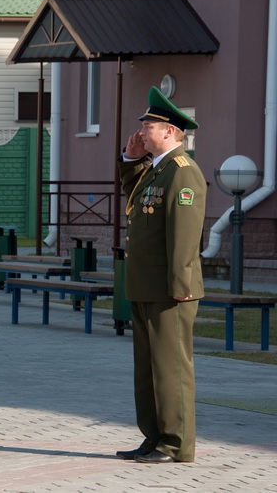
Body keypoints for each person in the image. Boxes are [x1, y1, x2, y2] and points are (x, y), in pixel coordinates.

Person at [115, 86, 206, 464]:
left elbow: (184, 239)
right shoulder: (156, 169)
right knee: (147, 369)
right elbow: (132, 195)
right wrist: (130, 158)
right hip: (144, 285)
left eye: (148, 126)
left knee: (171, 369)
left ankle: (175, 443)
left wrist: (179, 286)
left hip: (170, 289)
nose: (142, 132)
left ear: (169, 131)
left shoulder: (183, 173)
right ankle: (153, 437)